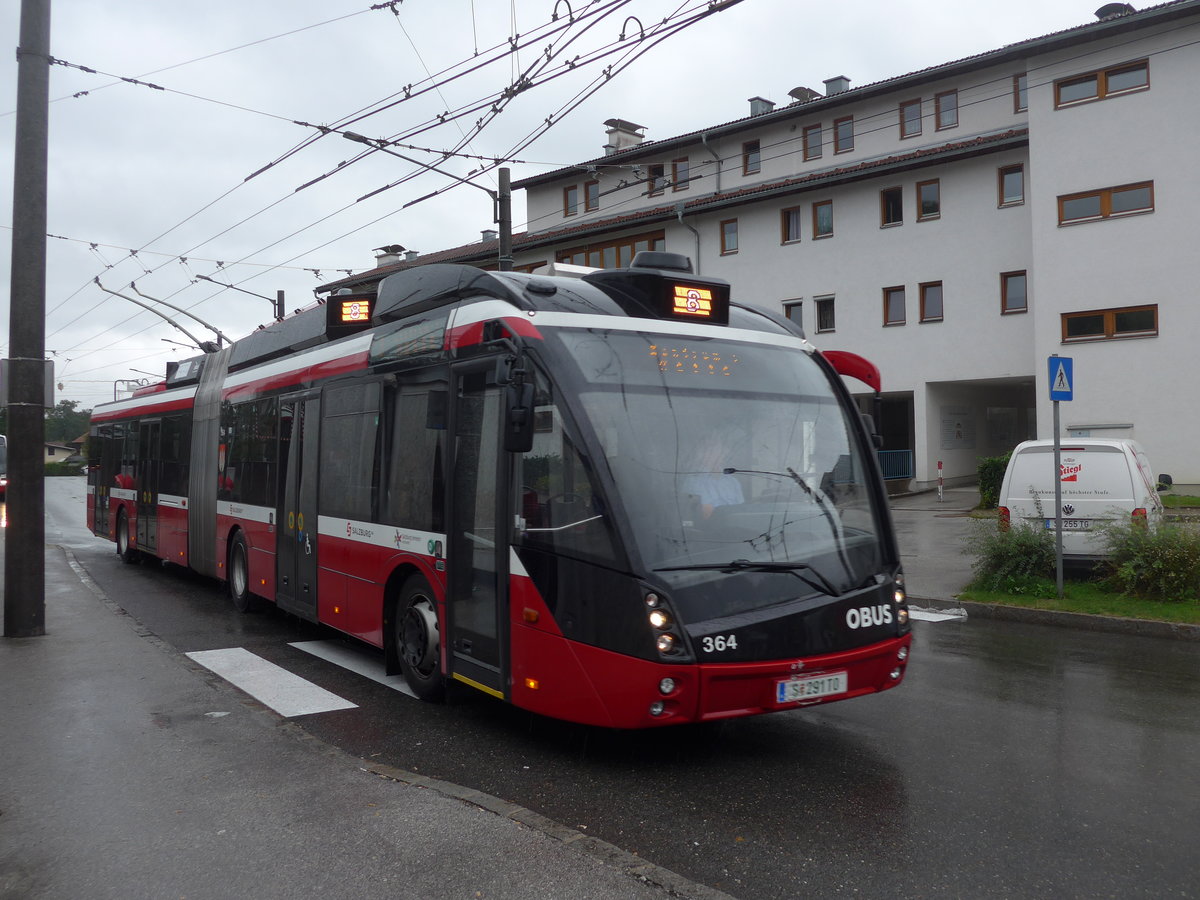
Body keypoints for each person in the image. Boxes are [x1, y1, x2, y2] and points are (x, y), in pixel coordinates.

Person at [682, 430, 744, 519]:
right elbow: (692, 515)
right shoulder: (692, 481)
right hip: (707, 530)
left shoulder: (733, 482)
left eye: (718, 447)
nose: (715, 452)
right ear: (700, 453)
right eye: (709, 447)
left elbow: (741, 512)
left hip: (735, 530)